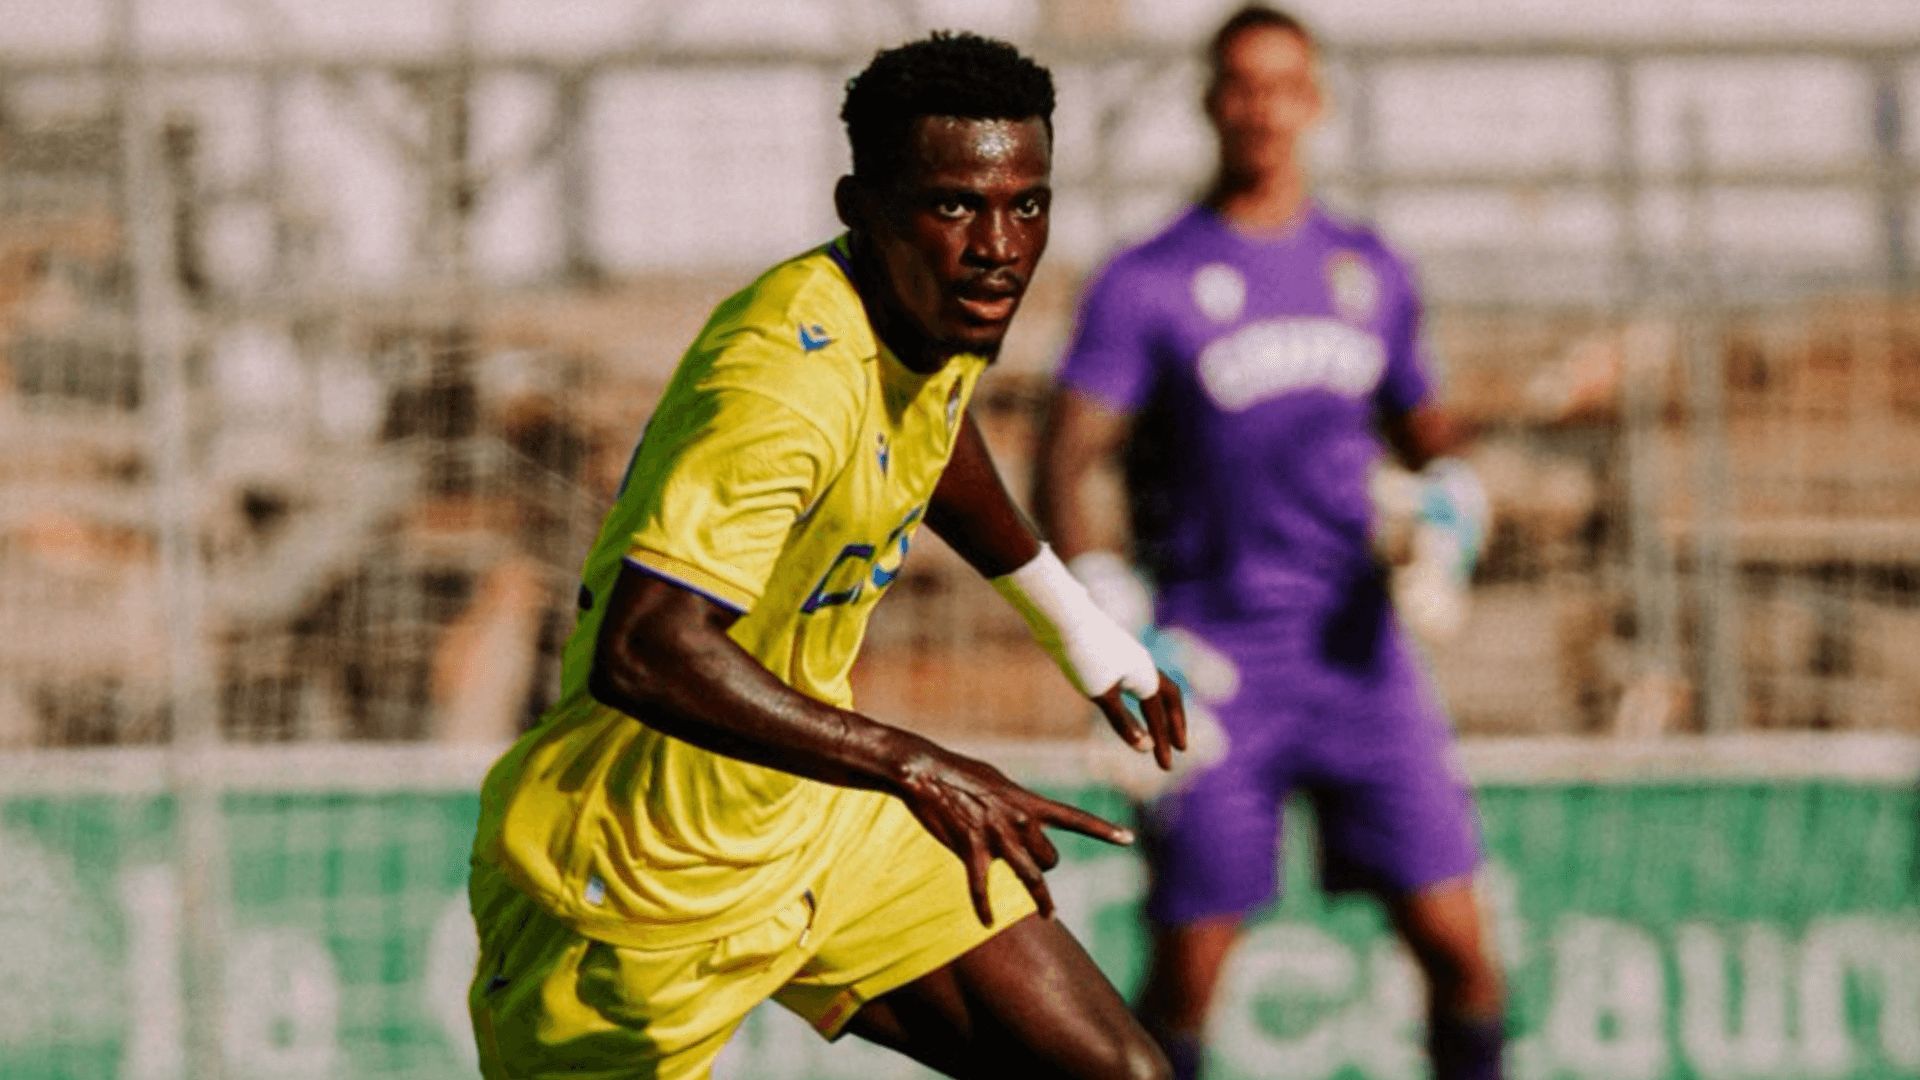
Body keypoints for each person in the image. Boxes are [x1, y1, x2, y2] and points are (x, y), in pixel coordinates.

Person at [466, 31, 1189, 1080]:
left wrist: (1074, 624)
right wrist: (918, 765)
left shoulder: (926, 314)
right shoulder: (779, 388)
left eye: (1025, 204)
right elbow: (648, 647)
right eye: (953, 206)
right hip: (631, 884)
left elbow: (930, 434)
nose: (998, 245)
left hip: (818, 818)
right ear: (861, 208)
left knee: (1119, 1073)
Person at [1034, 7, 1504, 1080]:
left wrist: (1458, 501)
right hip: (1216, 661)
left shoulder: (1368, 267)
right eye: (1241, 85)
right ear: (1210, 102)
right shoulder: (1149, 278)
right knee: (1190, 969)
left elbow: (1420, 436)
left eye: (1283, 85)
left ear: (1315, 101)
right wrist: (1109, 609)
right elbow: (1065, 456)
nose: (1262, 107)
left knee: (1462, 954)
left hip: (1361, 663)